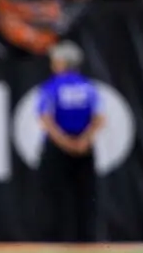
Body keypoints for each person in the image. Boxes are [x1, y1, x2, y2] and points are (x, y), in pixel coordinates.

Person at [38, 41, 104, 242]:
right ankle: (86, 240)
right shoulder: (88, 87)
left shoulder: (51, 87)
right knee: (85, 198)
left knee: (55, 198)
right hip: (84, 148)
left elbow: (45, 119)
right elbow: (99, 118)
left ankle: (56, 240)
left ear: (60, 63)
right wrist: (83, 141)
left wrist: (65, 143)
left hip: (57, 148)